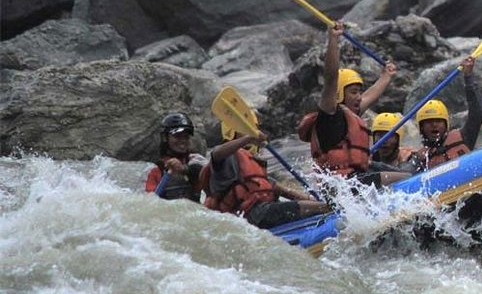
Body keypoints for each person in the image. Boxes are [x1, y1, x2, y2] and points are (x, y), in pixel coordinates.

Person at [297, 21, 410, 187]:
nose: (359, 97)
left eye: (359, 91)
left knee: (406, 174)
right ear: (339, 94)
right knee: (405, 179)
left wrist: (387, 76)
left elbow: (370, 96)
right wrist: (333, 39)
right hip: (341, 186)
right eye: (353, 92)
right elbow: (330, 78)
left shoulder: (349, 114)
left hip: (356, 179)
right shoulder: (329, 116)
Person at [201, 129, 331, 229]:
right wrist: (247, 139)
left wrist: (315, 201)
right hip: (249, 215)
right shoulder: (225, 161)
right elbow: (216, 154)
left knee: (321, 208)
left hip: (264, 211)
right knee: (323, 208)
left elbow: (285, 191)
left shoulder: (253, 163)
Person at [406, 56, 482, 172]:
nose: (434, 125)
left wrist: (468, 77)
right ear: (421, 127)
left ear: (446, 124)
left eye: (438, 121)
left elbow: (476, 113)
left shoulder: (464, 137)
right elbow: (404, 174)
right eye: (429, 122)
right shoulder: (420, 158)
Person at [145, 112, 208, 202]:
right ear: (165, 138)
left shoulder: (195, 160)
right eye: (177, 136)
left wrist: (183, 169)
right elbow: (149, 202)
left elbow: (205, 170)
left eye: (186, 137)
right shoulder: (156, 170)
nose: (183, 141)